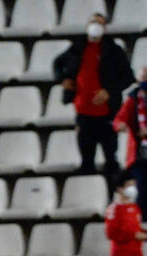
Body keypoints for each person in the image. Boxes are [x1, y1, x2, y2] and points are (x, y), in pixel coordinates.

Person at [54, 13, 133, 180]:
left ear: (105, 28)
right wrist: (63, 79)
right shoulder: (77, 47)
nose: (95, 25)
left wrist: (108, 91)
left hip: (107, 112)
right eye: (93, 22)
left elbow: (128, 77)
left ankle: (112, 194)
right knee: (86, 161)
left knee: (111, 159)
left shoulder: (114, 50)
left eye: (100, 23)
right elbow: (57, 63)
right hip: (83, 112)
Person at [112, 66, 147, 217]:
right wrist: (120, 125)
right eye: (143, 77)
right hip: (139, 156)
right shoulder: (133, 100)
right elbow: (119, 118)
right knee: (142, 191)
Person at [105, 175, 146, 256]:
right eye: (129, 185)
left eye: (134, 185)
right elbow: (111, 233)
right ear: (119, 188)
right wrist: (138, 235)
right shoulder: (114, 209)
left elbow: (137, 229)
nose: (133, 189)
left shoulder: (135, 207)